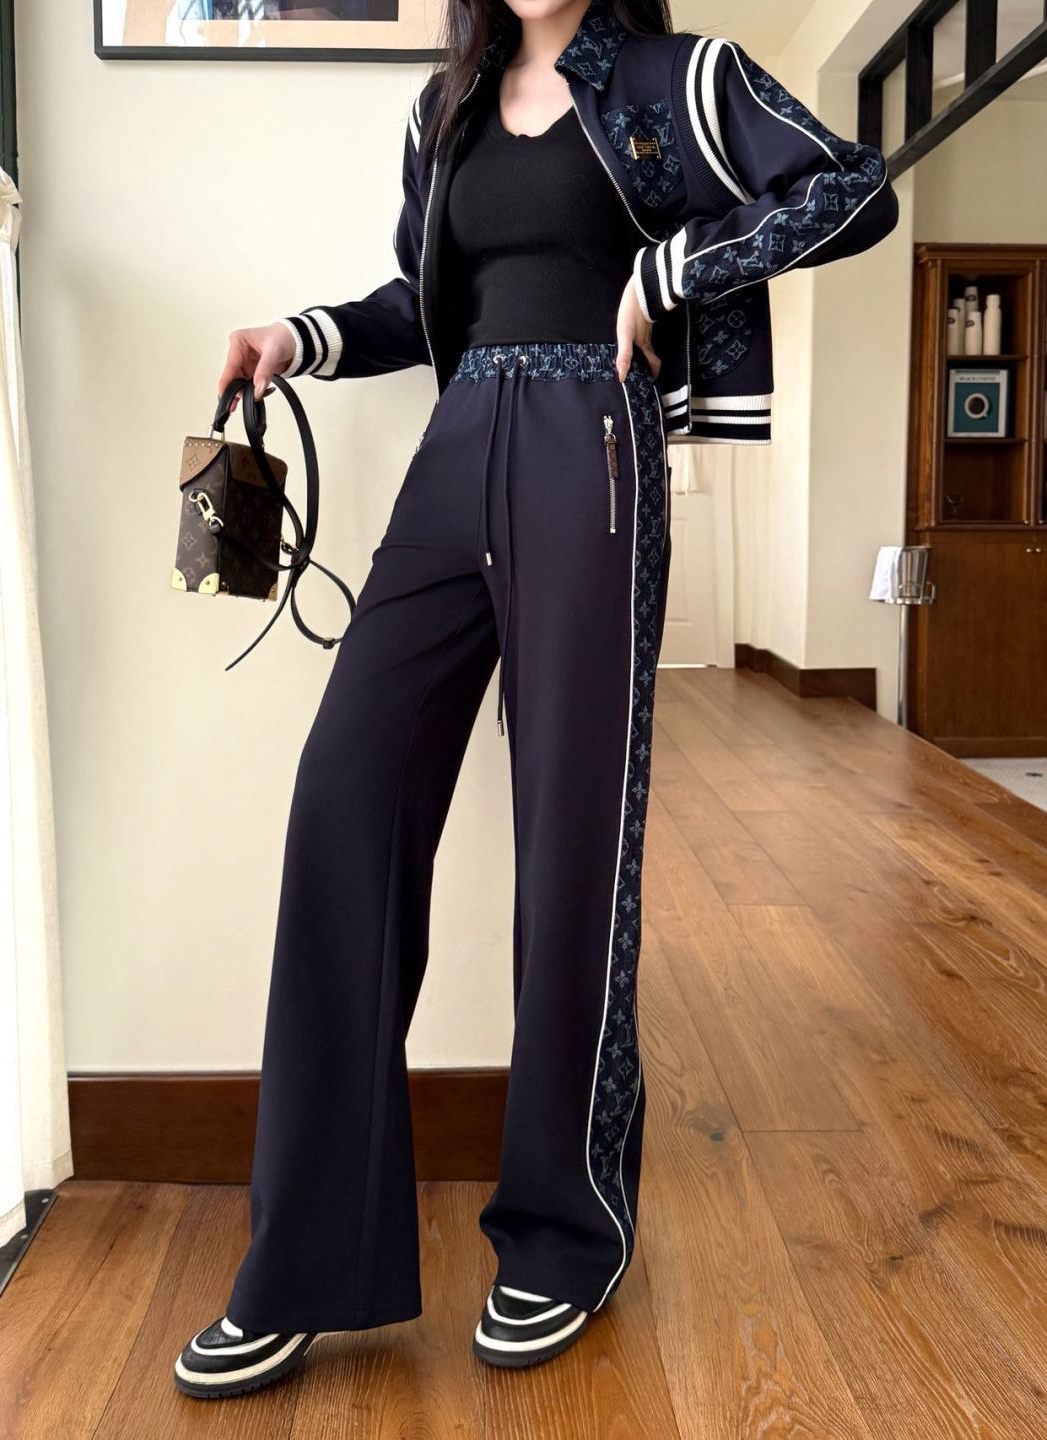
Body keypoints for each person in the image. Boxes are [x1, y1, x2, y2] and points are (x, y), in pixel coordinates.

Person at [173, 0, 898, 1399]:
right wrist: (299, 336)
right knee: (344, 799)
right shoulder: (443, 109)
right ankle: (303, 1259)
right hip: (459, 449)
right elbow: (426, 303)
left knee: (572, 844)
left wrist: (669, 272)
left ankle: (566, 1230)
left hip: (596, 447)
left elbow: (853, 187)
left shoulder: (684, 79)